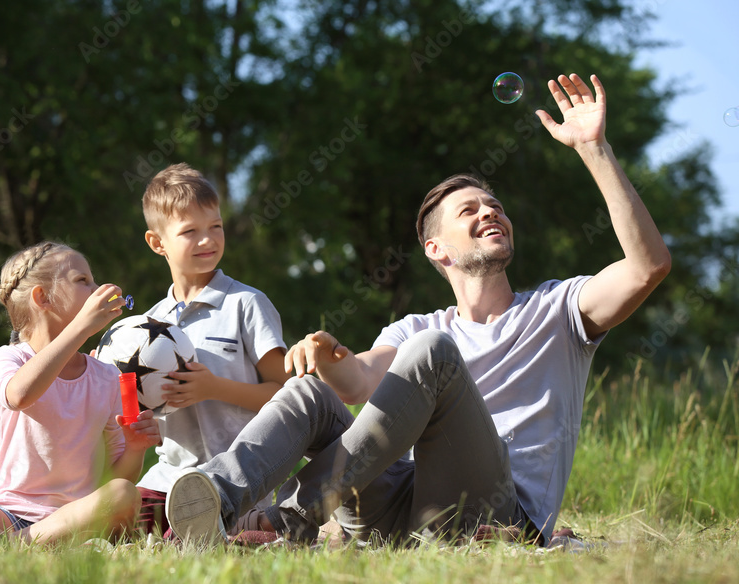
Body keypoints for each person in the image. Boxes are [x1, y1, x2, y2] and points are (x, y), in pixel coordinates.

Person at [164, 73, 672, 546]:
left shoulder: (559, 308)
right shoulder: (416, 327)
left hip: (493, 516)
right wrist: (324, 356)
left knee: (433, 353)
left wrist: (594, 149)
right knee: (311, 395)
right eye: (469, 210)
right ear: (437, 250)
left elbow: (648, 266)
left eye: (494, 206)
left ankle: (286, 520)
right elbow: (359, 383)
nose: (490, 212)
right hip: (397, 510)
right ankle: (213, 504)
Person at [0, 241, 161, 545]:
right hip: (4, 516)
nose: (96, 289)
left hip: (74, 517)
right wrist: (81, 329)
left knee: (124, 494)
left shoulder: (106, 376)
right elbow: (21, 395)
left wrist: (136, 447)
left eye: (93, 279)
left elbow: (117, 479)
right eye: (82, 280)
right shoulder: (8, 359)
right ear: (42, 298)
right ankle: (19, 544)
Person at [132, 163, 289, 536]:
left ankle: (235, 530)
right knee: (114, 512)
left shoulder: (247, 304)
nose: (208, 240)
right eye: (190, 232)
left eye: (215, 227)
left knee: (185, 534)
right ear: (157, 243)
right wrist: (146, 424)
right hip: (169, 477)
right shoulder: (148, 324)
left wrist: (213, 388)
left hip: (238, 481)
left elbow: (287, 396)